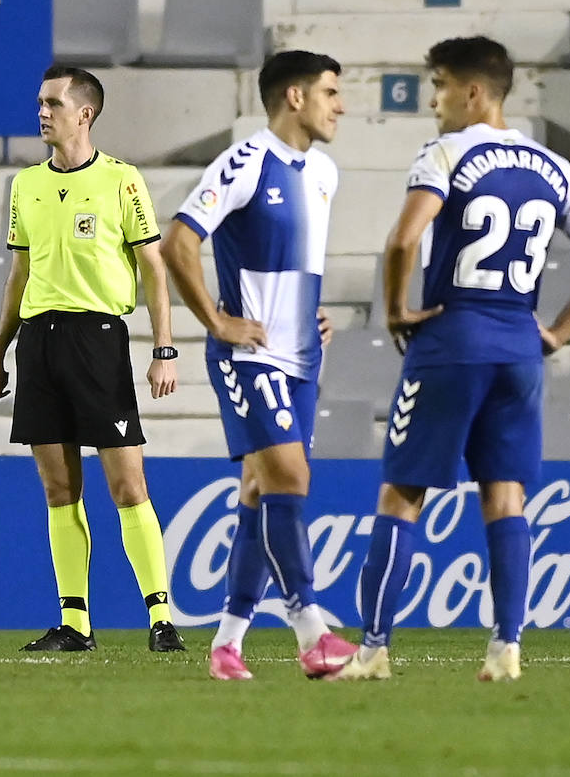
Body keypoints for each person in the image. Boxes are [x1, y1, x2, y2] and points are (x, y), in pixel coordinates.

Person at [332, 36, 570, 682]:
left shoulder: (445, 153)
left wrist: (396, 310)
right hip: (520, 347)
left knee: (402, 494)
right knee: (505, 495)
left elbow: (405, 238)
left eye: (438, 86)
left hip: (451, 340)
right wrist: (559, 333)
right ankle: (507, 649)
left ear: (472, 92)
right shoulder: (553, 167)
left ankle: (374, 648)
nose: (432, 102)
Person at [161, 50, 355, 680]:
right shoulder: (245, 162)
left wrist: (310, 314)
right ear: (294, 97)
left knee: (259, 490)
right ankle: (312, 632)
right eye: (330, 92)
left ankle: (227, 644)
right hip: (249, 357)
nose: (340, 105)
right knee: (291, 478)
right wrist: (216, 322)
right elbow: (179, 241)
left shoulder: (324, 172)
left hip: (301, 357)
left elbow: (295, 266)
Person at [0, 64, 185, 653]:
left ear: (84, 113)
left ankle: (161, 618)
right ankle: (75, 624)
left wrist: (163, 350)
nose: (42, 112)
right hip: (39, 344)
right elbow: (18, 273)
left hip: (98, 339)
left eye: (52, 103)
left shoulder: (122, 180)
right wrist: (0, 351)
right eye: (40, 102)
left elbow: (153, 268)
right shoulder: (26, 185)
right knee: (58, 489)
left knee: (127, 484)